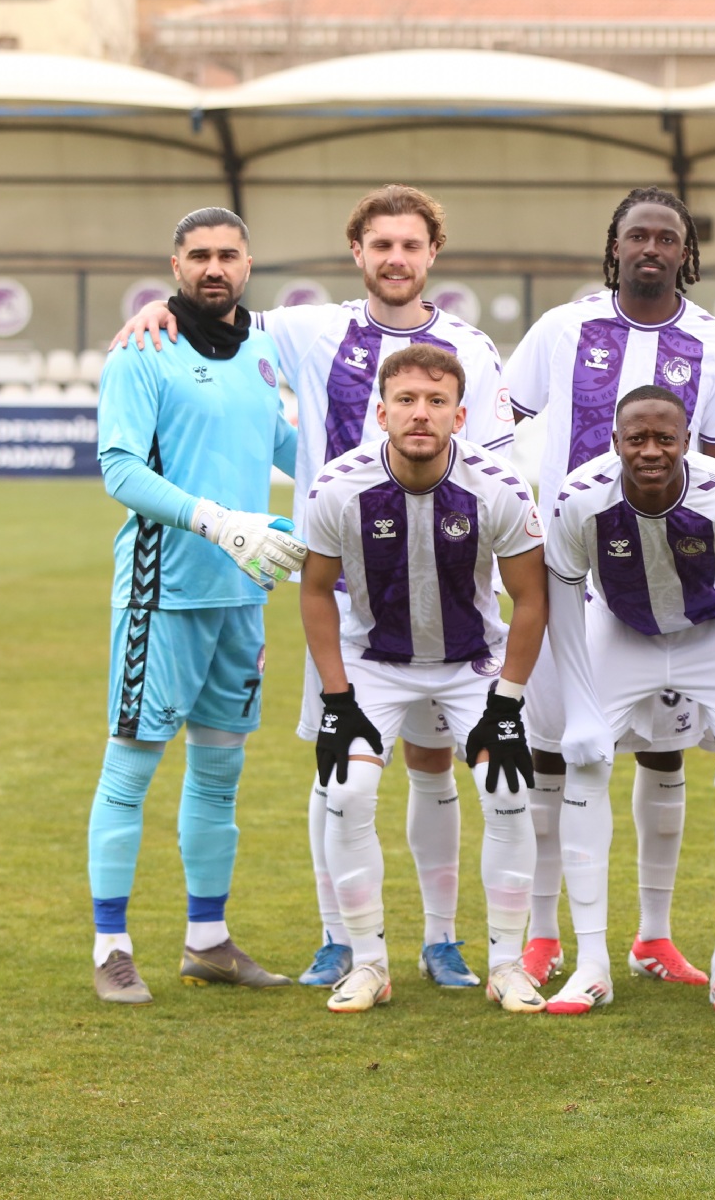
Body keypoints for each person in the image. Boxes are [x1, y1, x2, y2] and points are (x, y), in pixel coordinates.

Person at [112, 185, 513, 993]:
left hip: (444, 585)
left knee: (436, 762)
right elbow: (211, 311)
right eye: (380, 244)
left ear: (433, 254)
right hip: (342, 587)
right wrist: (158, 304)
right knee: (340, 761)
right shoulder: (308, 328)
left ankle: (442, 940)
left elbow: (496, 467)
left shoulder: (472, 346)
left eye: (410, 244)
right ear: (356, 253)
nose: (395, 258)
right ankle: (340, 938)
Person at [505, 187, 715, 990]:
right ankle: (543, 933)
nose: (652, 248)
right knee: (557, 745)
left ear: (688, 251)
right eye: (636, 236)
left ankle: (652, 935)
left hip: (672, 581)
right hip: (572, 573)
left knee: (664, 754)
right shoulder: (560, 329)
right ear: (614, 246)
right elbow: (507, 428)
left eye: (667, 238)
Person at [87, 207, 305, 1004]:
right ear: (174, 265)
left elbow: (284, 447)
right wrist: (218, 520)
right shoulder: (142, 351)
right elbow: (119, 470)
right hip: (165, 588)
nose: (215, 267)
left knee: (220, 772)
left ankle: (208, 939)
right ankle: (111, 943)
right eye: (200, 255)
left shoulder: (259, 351)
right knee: (132, 767)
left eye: (229, 254)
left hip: (243, 593)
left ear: (248, 263)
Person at [298, 343, 549, 1014]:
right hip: (374, 664)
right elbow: (316, 590)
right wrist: (336, 695)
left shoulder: (497, 486)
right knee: (347, 791)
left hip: (471, 665)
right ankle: (369, 963)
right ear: (381, 412)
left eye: (436, 401)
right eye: (406, 400)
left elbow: (531, 596)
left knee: (507, 790)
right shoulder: (337, 487)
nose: (420, 413)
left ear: (459, 415)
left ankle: (506, 965)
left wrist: (509, 698)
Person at [544, 386, 715, 1015]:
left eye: (665, 439)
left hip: (712, 632)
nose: (650, 451)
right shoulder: (578, 498)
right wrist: (581, 711)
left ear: (687, 442)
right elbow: (564, 608)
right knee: (586, 759)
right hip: (619, 631)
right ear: (615, 441)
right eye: (637, 439)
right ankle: (592, 962)